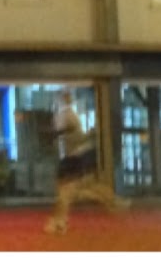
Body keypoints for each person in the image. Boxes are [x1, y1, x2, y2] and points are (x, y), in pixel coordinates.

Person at [45, 89, 126, 234]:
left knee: (68, 191)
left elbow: (70, 133)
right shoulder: (67, 114)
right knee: (80, 189)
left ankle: (60, 221)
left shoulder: (67, 114)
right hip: (75, 156)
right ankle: (111, 200)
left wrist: (56, 134)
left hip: (74, 157)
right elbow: (72, 134)